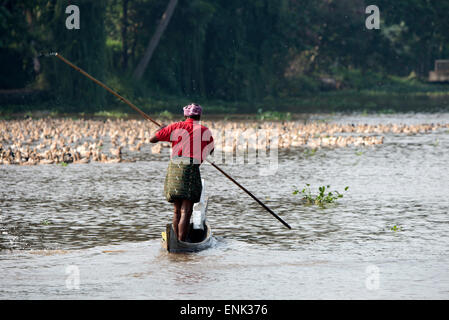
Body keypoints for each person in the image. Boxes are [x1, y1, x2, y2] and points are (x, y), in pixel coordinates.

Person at [150, 103, 214, 241]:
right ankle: (181, 243)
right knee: (186, 211)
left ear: (185, 115)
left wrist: (162, 130)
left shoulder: (175, 127)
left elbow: (152, 139)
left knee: (176, 210)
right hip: (189, 169)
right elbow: (211, 150)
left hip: (174, 168)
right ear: (199, 116)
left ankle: (177, 243)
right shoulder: (204, 131)